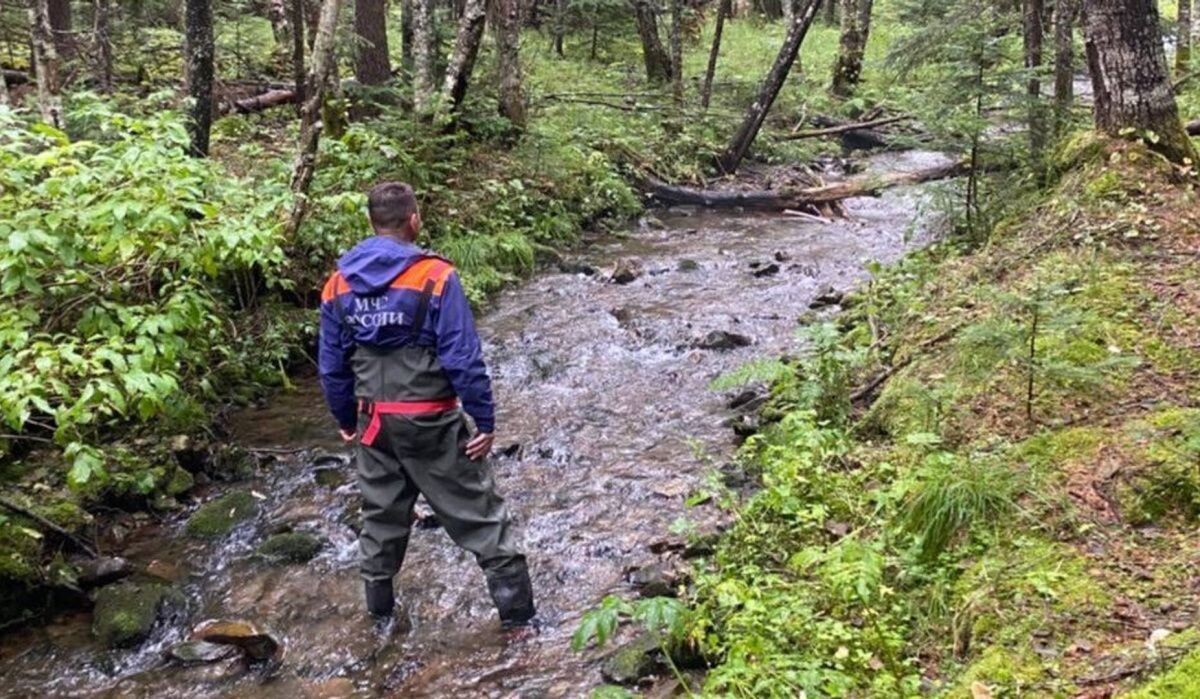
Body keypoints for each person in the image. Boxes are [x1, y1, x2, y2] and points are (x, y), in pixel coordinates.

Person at [317, 181, 536, 631]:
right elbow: (461, 356)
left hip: (374, 423)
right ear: (413, 219)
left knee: (380, 521)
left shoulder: (337, 285)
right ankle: (521, 623)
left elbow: (332, 364)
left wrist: (344, 419)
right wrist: (485, 420)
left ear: (371, 222)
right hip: (431, 418)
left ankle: (379, 624)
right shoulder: (435, 277)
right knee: (481, 517)